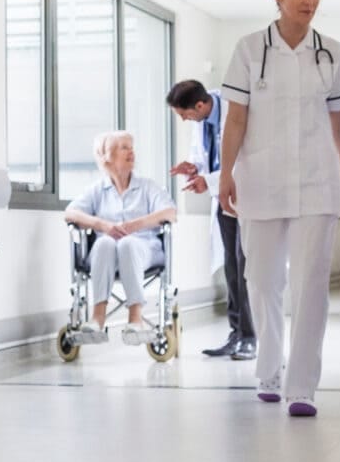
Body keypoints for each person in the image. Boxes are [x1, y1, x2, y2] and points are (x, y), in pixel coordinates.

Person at [217, 0, 340, 417]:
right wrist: (224, 174)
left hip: (318, 183)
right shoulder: (248, 49)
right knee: (261, 281)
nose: (310, 2)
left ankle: (302, 385)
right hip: (260, 182)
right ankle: (269, 368)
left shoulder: (333, 53)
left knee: (310, 285)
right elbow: (236, 118)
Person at [168, 79, 255, 361]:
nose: (184, 120)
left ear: (201, 105)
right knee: (231, 268)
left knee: (245, 268)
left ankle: (250, 337)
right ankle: (236, 333)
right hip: (223, 200)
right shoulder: (203, 121)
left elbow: (244, 160)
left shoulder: (235, 111)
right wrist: (195, 168)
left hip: (245, 197)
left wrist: (210, 180)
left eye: (185, 114)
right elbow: (210, 159)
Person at [64, 132, 177, 330]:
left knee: (127, 242)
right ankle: (97, 317)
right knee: (105, 242)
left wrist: (135, 225)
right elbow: (70, 213)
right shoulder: (98, 190)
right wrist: (103, 225)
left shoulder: (147, 187)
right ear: (107, 155)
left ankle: (135, 317)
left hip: (144, 250)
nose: (131, 151)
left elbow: (170, 213)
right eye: (124, 147)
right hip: (104, 256)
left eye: (131, 147)